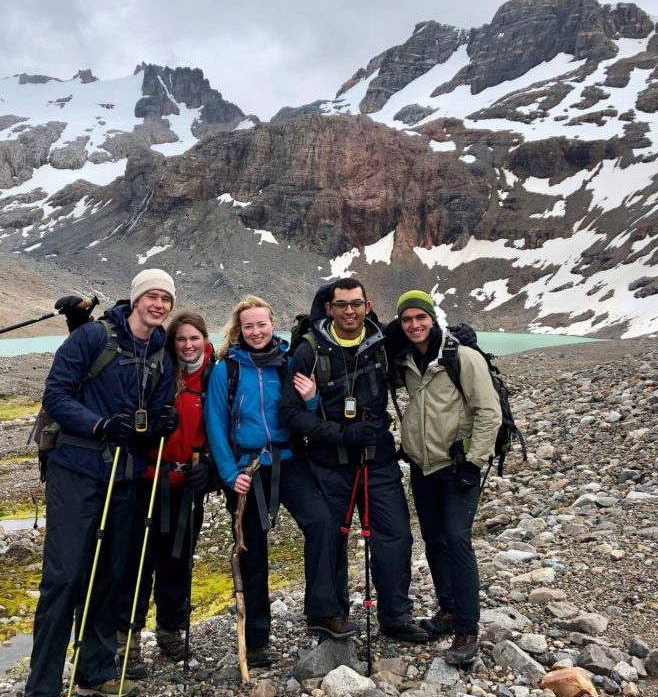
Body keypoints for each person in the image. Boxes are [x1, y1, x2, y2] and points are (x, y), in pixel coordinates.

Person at [14, 269, 178, 697]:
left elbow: (153, 417)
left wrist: (159, 423)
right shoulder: (91, 337)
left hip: (125, 476)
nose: (159, 304)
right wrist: (101, 426)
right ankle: (39, 696)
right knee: (63, 578)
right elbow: (56, 396)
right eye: (152, 295)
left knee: (110, 576)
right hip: (77, 471)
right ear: (136, 297)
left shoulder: (161, 354)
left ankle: (95, 671)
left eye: (166, 298)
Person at [279, 278, 428, 644]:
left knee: (394, 537)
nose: (350, 310)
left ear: (367, 305)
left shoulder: (382, 340)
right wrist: (341, 435)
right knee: (329, 538)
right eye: (342, 304)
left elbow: (423, 335)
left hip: (377, 461)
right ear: (329, 308)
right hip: (329, 462)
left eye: (356, 304)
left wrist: (455, 337)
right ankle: (327, 615)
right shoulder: (308, 351)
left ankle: (395, 616)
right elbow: (291, 413)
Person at [204, 295, 349, 668]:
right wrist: (229, 473)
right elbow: (216, 426)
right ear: (240, 329)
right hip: (247, 469)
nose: (255, 331)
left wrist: (313, 400)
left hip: (289, 460)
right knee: (251, 550)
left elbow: (305, 412)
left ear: (273, 324)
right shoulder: (226, 370)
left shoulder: (288, 362)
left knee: (322, 523)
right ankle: (256, 639)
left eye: (262, 324)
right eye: (248, 326)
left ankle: (321, 611)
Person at [391, 290, 501, 667]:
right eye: (407, 320)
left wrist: (474, 462)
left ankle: (468, 627)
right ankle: (448, 610)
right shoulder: (406, 360)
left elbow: (489, 412)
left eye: (421, 318)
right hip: (423, 467)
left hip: (458, 468)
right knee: (434, 540)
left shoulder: (462, 358)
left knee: (456, 539)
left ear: (433, 318)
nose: (414, 325)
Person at [115, 311, 215, 675]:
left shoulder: (214, 377)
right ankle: (127, 638)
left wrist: (210, 468)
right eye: (181, 339)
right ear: (172, 343)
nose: (188, 345)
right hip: (149, 480)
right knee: (138, 563)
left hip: (188, 485)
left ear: (205, 340)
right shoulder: (156, 375)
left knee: (179, 562)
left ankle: (172, 630)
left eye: (194, 338)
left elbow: (222, 428)